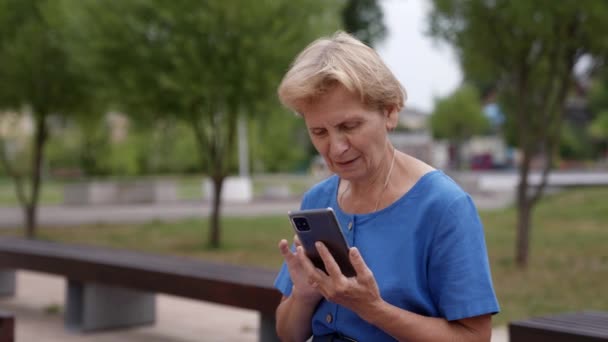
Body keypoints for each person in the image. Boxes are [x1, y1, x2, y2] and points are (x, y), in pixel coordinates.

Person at [273, 31, 499, 342]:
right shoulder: (318, 199)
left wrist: (373, 308)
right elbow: (287, 334)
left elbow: (475, 337)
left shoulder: (444, 207)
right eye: (319, 131)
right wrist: (303, 295)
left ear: (390, 112)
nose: (336, 148)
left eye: (349, 126)